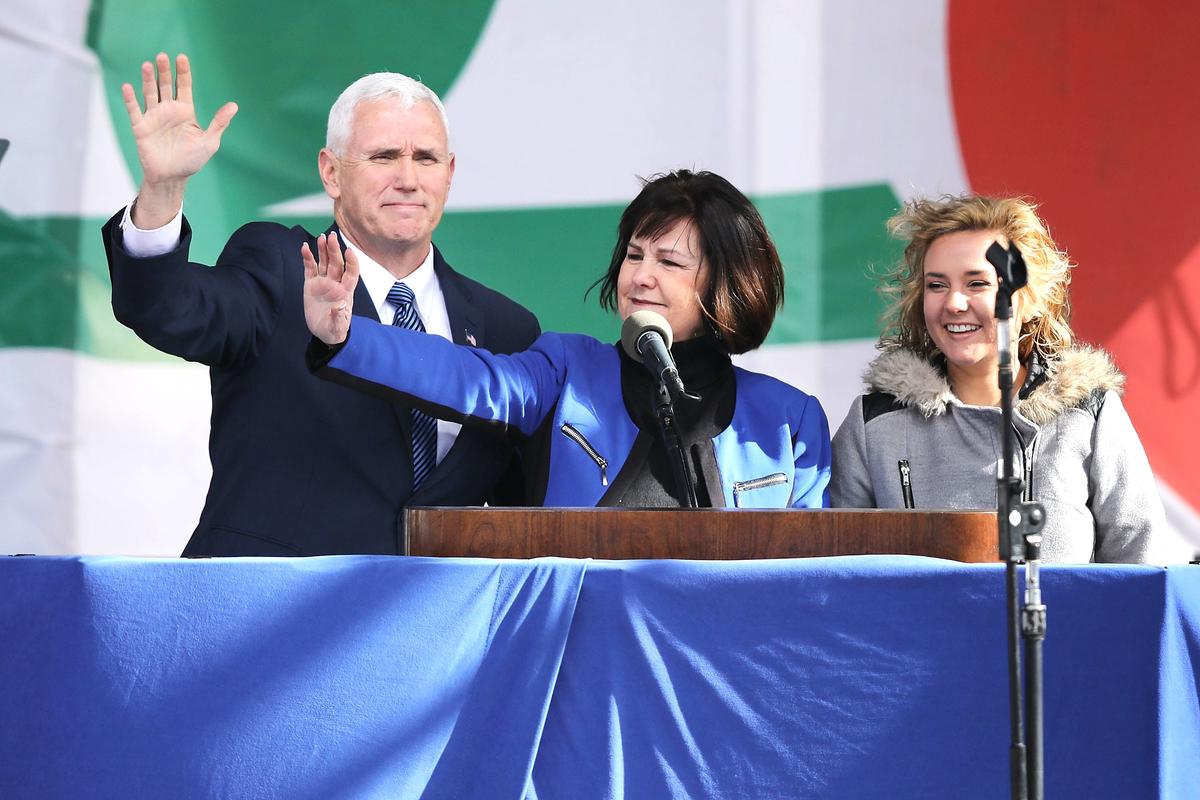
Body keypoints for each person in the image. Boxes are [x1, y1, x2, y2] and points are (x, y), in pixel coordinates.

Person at [102, 53, 540, 556]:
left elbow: (526, 512)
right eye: (383, 157)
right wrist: (163, 189)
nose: (408, 179)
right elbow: (166, 307)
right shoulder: (280, 268)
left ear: (449, 172)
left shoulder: (508, 329)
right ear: (331, 173)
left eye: (426, 158)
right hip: (270, 613)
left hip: (432, 623)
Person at [303, 170, 831, 508]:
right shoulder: (567, 369)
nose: (640, 276)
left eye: (670, 262)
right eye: (634, 255)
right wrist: (348, 338)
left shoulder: (790, 420)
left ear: (729, 287)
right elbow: (468, 379)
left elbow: (808, 592)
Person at [830, 194, 1188, 562]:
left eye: (977, 283)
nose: (953, 303)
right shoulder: (875, 424)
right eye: (937, 285)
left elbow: (1142, 565)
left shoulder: (1089, 415)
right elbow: (840, 576)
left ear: (1029, 299)